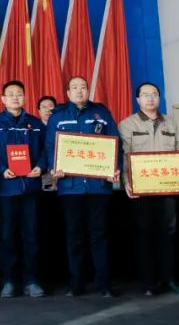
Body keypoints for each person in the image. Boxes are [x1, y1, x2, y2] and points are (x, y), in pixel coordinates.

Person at [46, 76, 121, 297]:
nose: (79, 91)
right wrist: (54, 167)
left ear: (88, 91)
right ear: (68, 93)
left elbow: (116, 144)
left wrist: (115, 168)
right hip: (71, 187)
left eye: (83, 87)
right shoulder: (58, 117)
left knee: (100, 235)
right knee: (74, 236)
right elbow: (50, 146)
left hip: (98, 185)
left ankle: (104, 284)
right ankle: (76, 284)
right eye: (75, 88)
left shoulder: (102, 114)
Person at [117, 83, 179, 297]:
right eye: (145, 95)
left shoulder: (171, 122)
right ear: (138, 99)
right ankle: (149, 283)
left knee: (168, 233)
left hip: (168, 187)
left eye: (154, 94)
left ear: (159, 98)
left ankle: (170, 279)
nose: (150, 98)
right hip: (141, 189)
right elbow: (124, 156)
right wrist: (126, 181)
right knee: (145, 233)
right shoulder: (127, 124)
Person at [0, 80, 45, 298]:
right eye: (10, 94)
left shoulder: (35, 124)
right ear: (3, 99)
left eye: (19, 93)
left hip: (30, 188)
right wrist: (1, 169)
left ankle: (31, 280)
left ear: (25, 97)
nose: (15, 97)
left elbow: (46, 149)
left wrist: (41, 166)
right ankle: (9, 280)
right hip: (5, 189)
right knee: (6, 236)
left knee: (31, 236)